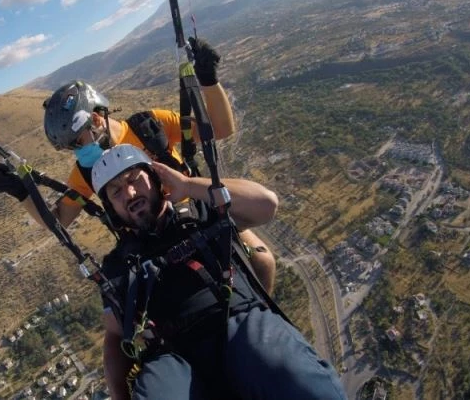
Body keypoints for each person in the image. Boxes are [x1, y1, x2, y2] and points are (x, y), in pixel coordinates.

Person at [0, 38, 276, 293]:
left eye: (79, 141)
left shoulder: (150, 127)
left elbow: (221, 128)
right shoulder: (85, 172)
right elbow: (59, 221)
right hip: (149, 238)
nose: (78, 151)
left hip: (199, 211)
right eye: (71, 147)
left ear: (97, 120)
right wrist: (22, 193)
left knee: (262, 260)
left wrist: (208, 81)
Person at [91, 144, 346, 400]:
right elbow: (115, 335)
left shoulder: (202, 210)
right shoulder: (116, 265)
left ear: (156, 177)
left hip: (236, 323)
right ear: (112, 209)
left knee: (292, 377)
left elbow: (266, 204)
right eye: (116, 192)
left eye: (134, 179)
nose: (130, 193)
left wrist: (189, 186)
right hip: (172, 356)